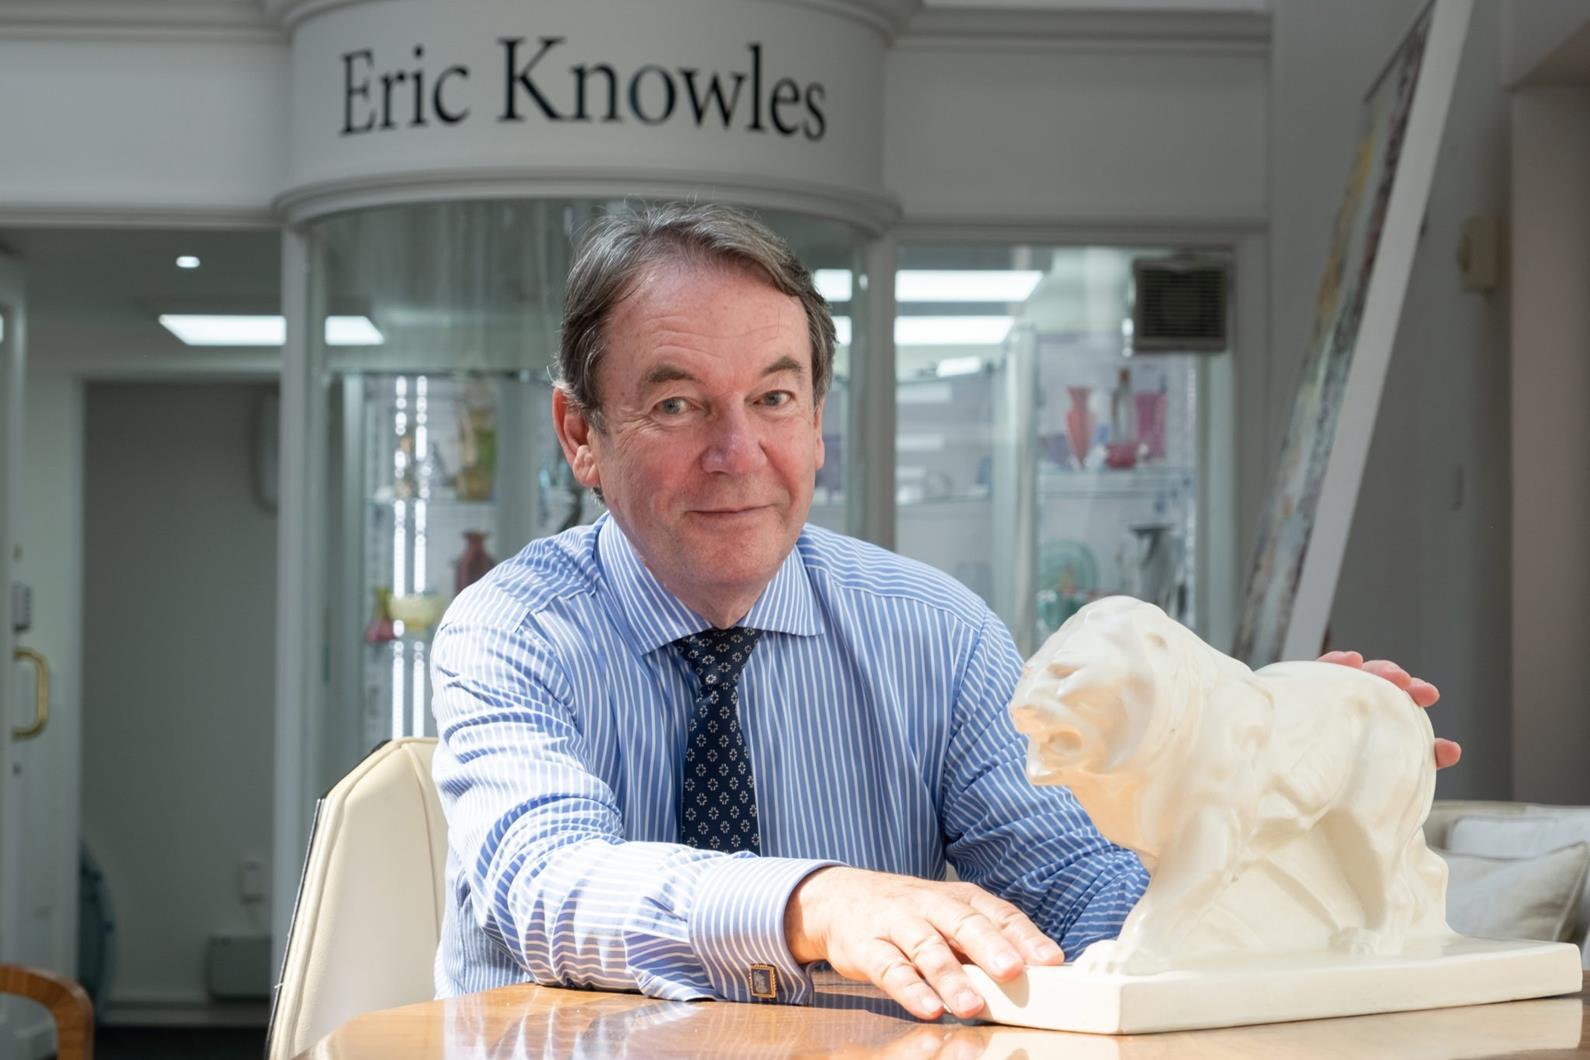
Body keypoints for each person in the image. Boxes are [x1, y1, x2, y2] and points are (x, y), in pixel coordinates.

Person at [429, 203, 1457, 1021]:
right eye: (677, 404)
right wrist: (816, 902)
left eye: (775, 400)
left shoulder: (940, 632)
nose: (737, 453)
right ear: (580, 432)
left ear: (819, 423)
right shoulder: (511, 629)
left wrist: (1266, 780)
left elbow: (1079, 891)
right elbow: (550, 888)